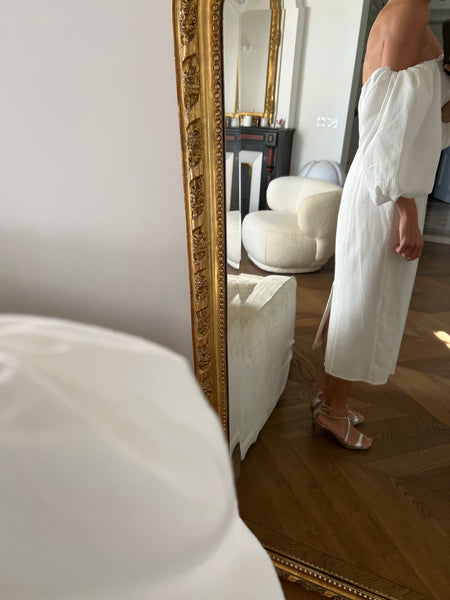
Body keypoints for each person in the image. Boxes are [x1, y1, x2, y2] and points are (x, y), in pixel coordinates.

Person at [311, 0, 450, 450]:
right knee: (364, 299)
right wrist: (405, 210)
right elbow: (389, 125)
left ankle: (330, 399)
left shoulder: (406, 10)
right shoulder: (410, 10)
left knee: (359, 293)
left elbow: (421, 116)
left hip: (386, 187)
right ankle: (332, 411)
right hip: (386, 193)